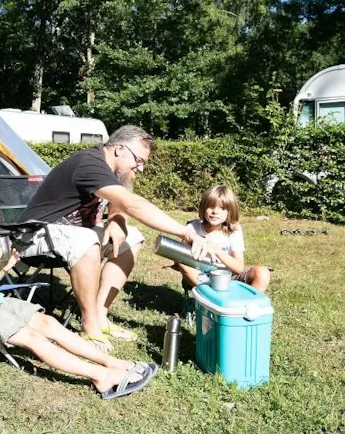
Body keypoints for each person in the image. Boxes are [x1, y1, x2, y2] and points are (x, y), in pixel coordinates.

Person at [0, 182, 156, 399]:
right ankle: (101, 376)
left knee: (49, 323)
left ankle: (112, 362)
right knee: (34, 337)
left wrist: (5, 268)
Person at [19, 125, 210, 352]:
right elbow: (132, 203)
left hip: (70, 236)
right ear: (119, 149)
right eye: (138, 160)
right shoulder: (89, 163)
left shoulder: (116, 171)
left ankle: (100, 316)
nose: (140, 168)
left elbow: (119, 201)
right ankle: (89, 327)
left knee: (132, 238)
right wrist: (185, 232)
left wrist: (116, 220)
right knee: (86, 240)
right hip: (34, 235)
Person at [171, 185, 270, 292]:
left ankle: (248, 302)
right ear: (203, 208)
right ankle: (211, 296)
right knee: (183, 263)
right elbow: (178, 261)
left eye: (222, 208)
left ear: (230, 211)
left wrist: (216, 251)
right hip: (199, 277)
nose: (215, 212)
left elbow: (239, 268)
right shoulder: (192, 228)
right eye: (211, 207)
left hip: (228, 277)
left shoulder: (234, 230)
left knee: (262, 273)